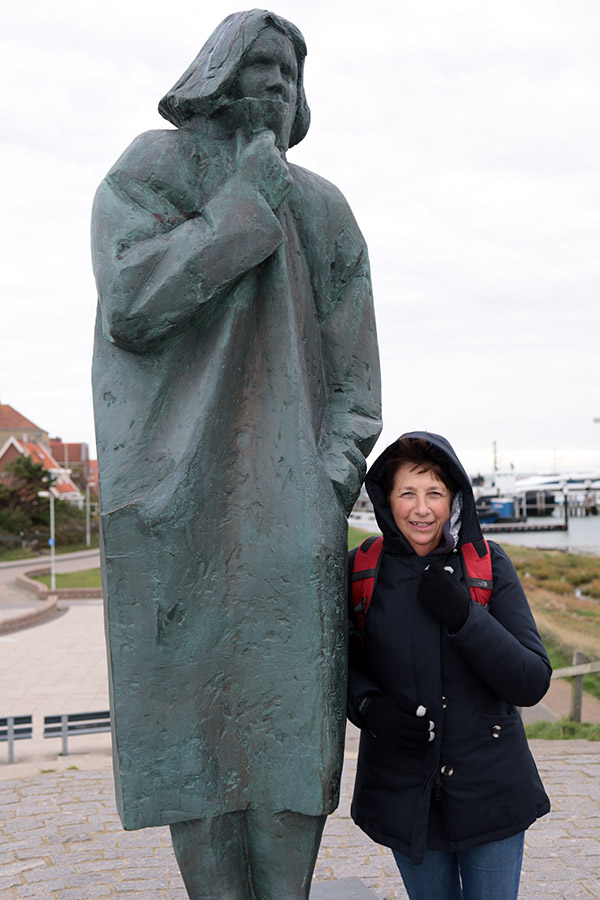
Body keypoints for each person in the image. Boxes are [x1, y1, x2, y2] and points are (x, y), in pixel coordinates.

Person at [91, 9, 381, 900]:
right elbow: (135, 303)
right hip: (174, 513)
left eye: (290, 71)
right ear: (214, 73)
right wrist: (245, 204)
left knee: (294, 737)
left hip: (292, 519)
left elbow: (354, 380)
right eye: (257, 64)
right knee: (192, 733)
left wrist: (330, 480)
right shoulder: (149, 170)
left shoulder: (326, 208)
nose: (276, 84)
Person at [347, 432, 551, 900]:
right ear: (386, 499)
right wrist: (369, 707)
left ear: (455, 498)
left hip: (491, 790)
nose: (421, 510)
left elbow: (532, 680)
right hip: (403, 790)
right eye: (408, 493)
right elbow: (341, 667)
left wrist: (464, 616)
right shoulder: (360, 569)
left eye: (435, 493)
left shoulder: (488, 565)